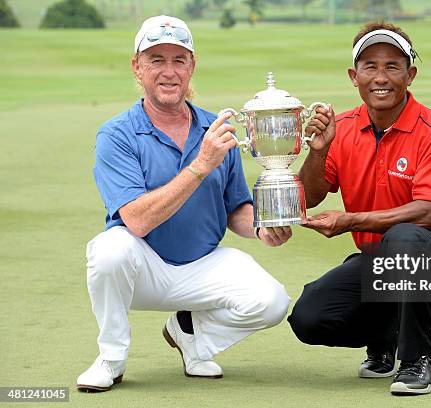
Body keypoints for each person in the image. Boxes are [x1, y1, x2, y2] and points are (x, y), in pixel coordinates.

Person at [77, 15, 292, 392]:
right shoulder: (116, 134)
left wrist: (261, 227)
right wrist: (200, 164)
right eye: (156, 60)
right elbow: (137, 221)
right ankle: (111, 357)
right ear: (137, 67)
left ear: (192, 66)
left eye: (179, 60)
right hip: (142, 267)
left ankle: (190, 333)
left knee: (272, 301)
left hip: (203, 266)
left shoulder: (215, 128)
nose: (169, 71)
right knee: (109, 249)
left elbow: (235, 208)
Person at [288, 22, 431, 396]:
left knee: (404, 238)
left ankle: (417, 361)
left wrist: (350, 220)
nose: (380, 77)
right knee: (309, 318)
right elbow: (311, 195)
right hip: (379, 261)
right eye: (369, 66)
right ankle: (385, 335)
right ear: (354, 76)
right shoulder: (342, 128)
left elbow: (428, 213)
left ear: (410, 75)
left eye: (392, 66)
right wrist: (317, 152)